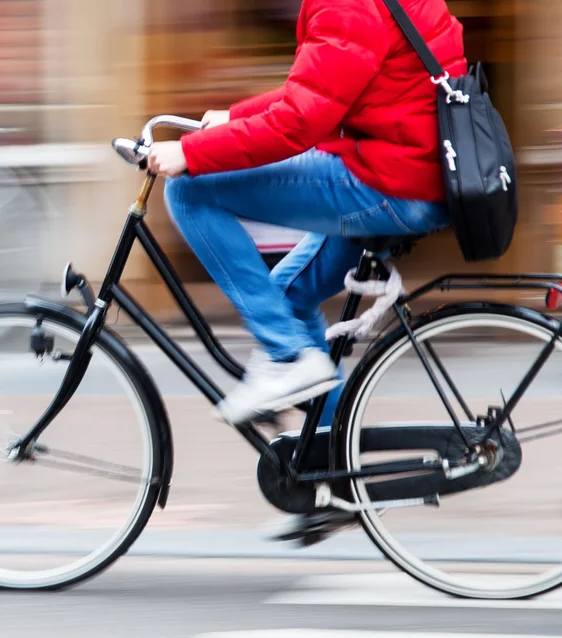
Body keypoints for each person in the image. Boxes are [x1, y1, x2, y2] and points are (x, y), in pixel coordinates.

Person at [147, 0, 466, 429]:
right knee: (286, 300)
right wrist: (237, 117)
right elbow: (331, 87)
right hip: (413, 172)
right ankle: (330, 461)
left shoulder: (346, 4)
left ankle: (286, 356)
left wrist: (189, 153)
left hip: (389, 182)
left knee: (189, 191)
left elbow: (298, 122)